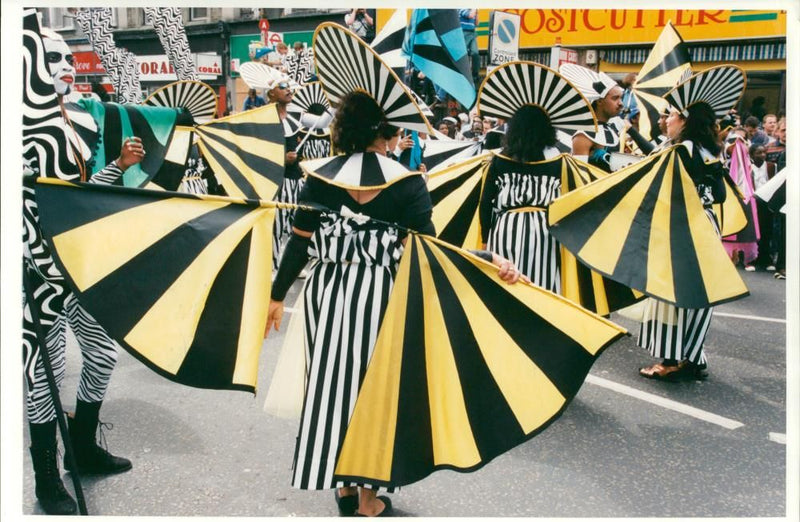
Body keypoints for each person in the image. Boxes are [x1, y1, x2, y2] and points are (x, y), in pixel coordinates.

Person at [264, 91, 521, 517]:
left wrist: (276, 296)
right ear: (387, 131)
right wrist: (489, 260)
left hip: (327, 297)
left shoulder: (319, 178)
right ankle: (370, 497)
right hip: (384, 298)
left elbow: (299, 245)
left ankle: (343, 488)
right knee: (379, 394)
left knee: (333, 391)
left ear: (341, 128)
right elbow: (430, 250)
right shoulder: (406, 182)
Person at [23, 23, 142, 515]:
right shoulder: (22, 129)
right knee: (41, 377)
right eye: (53, 58)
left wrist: (116, 165)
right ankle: (47, 479)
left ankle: (84, 446)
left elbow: (82, 199)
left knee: (101, 354)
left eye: (70, 58)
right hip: (33, 275)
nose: (66, 67)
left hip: (74, 271)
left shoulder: (74, 124)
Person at [638, 101, 728, 381]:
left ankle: (670, 361)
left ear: (686, 121)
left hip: (679, 226)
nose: (667, 121)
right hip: (707, 224)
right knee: (700, 293)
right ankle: (694, 357)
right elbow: (721, 195)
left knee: (671, 292)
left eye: (673, 116)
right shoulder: (711, 151)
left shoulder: (678, 150)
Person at [560, 64, 624, 172]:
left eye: (621, 98)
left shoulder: (612, 129)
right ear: (599, 101)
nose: (621, 103)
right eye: (615, 98)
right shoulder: (584, 134)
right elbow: (579, 175)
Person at [750, 143, 777, 271]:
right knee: (755, 231)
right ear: (752, 155)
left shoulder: (772, 167)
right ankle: (753, 257)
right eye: (758, 153)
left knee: (767, 230)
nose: (762, 155)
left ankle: (766, 258)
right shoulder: (749, 168)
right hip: (754, 203)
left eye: (764, 152)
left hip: (767, 203)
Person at [459, 9, 480, 86]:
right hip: (464, 32)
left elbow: (477, 23)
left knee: (475, 53)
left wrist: (477, 13)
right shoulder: (462, 7)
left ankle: (475, 75)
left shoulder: (472, 9)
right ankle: (465, 75)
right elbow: (470, 15)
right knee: (464, 55)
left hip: (472, 32)